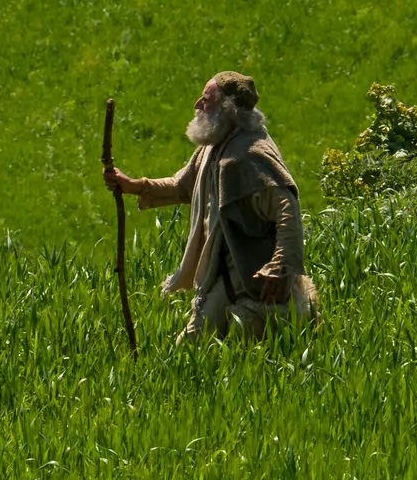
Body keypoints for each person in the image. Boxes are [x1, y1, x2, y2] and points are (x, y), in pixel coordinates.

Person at [108, 70, 316, 340]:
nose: (197, 105)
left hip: (253, 277)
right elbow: (181, 185)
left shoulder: (250, 155)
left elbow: (287, 209)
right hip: (225, 271)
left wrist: (279, 267)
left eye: (206, 99)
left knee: (215, 346)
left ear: (227, 110)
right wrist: (133, 186)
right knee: (198, 345)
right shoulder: (212, 149)